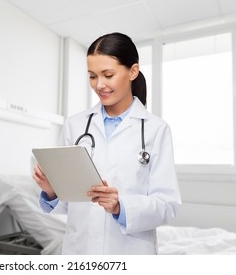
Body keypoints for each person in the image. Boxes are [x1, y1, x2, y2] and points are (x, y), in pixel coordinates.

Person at [33, 32, 181, 255]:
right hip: (79, 250)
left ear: (132, 71)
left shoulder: (155, 129)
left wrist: (121, 206)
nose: (99, 85)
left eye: (108, 75)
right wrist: (52, 191)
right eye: (92, 76)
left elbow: (167, 204)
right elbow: (70, 202)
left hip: (129, 251)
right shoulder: (75, 125)